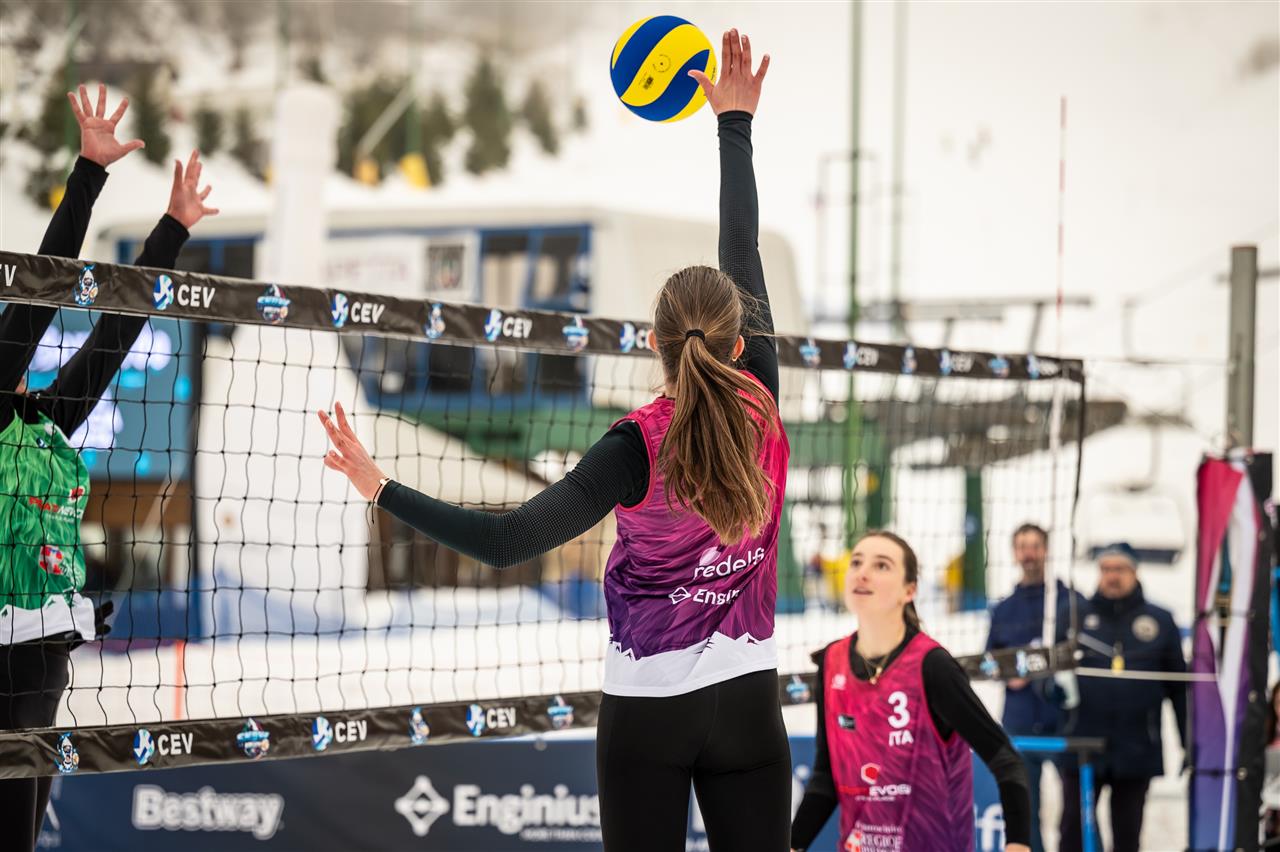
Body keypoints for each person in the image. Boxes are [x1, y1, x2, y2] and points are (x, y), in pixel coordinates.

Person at [320, 30, 791, 852]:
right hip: (750, 699)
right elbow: (742, 251)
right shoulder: (764, 400)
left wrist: (380, 487)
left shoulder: (634, 447)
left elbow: (506, 542)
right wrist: (734, 124)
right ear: (740, 342)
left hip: (650, 707)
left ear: (653, 343)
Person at [0, 83, 218, 852]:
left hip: (40, 665)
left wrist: (171, 231)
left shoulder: (43, 422)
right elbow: (36, 297)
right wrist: (88, 174)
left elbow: (114, 337)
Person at [790, 531, 1033, 852]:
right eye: (857, 562)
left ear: (910, 590)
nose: (862, 573)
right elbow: (826, 777)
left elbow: (1006, 760)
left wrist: (1018, 843)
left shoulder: (932, 666)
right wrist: (793, 843)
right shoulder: (832, 662)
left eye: (881, 565)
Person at [1058, 542, 1187, 852]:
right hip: (1083, 746)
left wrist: (1189, 742)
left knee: (1127, 836)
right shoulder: (1074, 617)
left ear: (1134, 572)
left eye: (1119, 569)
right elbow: (1049, 678)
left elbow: (1179, 690)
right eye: (1106, 569)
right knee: (1073, 832)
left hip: (1136, 748)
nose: (1112, 576)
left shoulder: (1160, 620)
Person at [985, 522, 1082, 852]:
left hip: (1064, 721)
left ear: (1046, 550)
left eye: (1035, 546)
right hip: (1020, 723)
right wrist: (1009, 675)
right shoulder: (1004, 609)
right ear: (1014, 553)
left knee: (1075, 810)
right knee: (1024, 810)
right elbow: (990, 661)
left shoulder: (1069, 601)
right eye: (1022, 547)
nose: (1029, 553)